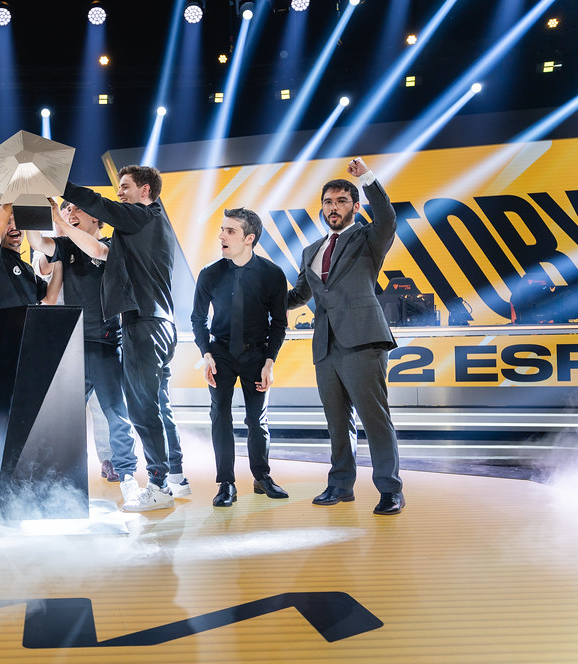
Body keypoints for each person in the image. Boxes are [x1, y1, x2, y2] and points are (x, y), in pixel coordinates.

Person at [62, 165, 188, 512]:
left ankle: (159, 486)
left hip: (145, 324)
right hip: (157, 323)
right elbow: (101, 252)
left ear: (145, 190)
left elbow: (97, 203)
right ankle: (174, 477)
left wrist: (57, 182)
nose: (119, 193)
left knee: (143, 409)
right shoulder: (148, 226)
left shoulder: (142, 216)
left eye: (125, 187)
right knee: (155, 405)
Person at [287, 157, 405, 515]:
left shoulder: (368, 238)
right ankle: (340, 485)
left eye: (341, 201)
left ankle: (390, 489)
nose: (333, 207)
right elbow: (299, 296)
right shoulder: (311, 250)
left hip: (363, 339)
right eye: (328, 202)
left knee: (374, 418)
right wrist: (259, 295)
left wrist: (367, 177)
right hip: (325, 345)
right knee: (337, 422)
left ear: (355, 207)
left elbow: (387, 217)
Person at [25, 200, 138, 487]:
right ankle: (61, 476)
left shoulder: (113, 244)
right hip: (71, 343)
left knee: (114, 411)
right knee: (65, 414)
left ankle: (126, 473)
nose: (72, 213)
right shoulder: (66, 246)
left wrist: (60, 221)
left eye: (79, 209)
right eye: (68, 209)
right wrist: (30, 206)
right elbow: (38, 243)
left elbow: (96, 251)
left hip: (104, 342)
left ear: (98, 217)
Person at [191, 208, 289, 507]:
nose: (222, 235)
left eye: (230, 231)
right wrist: (206, 354)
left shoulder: (272, 274)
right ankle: (226, 483)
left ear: (249, 238)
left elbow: (279, 323)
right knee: (220, 415)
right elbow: (198, 319)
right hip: (220, 352)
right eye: (222, 229)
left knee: (257, 419)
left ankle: (262, 477)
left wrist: (270, 362)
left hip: (257, 354)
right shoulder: (210, 273)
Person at [0, 203, 60, 468]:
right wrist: (9, 199)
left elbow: (49, 298)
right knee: (1, 410)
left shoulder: (26, 268)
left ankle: (20, 467)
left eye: (17, 221)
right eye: (8, 222)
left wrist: (61, 257)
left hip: (26, 350)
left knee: (24, 412)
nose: (13, 227)